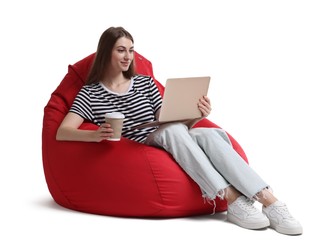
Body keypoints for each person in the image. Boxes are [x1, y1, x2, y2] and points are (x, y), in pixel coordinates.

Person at [56, 26, 303, 235]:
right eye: (121, 50)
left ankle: (269, 200)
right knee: (172, 132)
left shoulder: (144, 83)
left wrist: (197, 116)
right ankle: (231, 199)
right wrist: (95, 134)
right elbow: (63, 131)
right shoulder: (91, 93)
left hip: (166, 135)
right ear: (105, 53)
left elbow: (170, 122)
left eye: (131, 50)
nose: (128, 56)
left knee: (208, 133)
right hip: (139, 145)